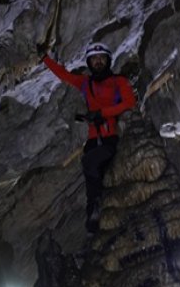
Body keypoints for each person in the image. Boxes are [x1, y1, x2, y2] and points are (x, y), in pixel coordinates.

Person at [39, 42, 136, 233]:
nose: (98, 62)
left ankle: (101, 206)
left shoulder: (119, 82)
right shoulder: (86, 83)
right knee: (91, 174)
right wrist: (45, 59)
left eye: (101, 58)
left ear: (108, 60)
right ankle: (95, 216)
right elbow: (64, 75)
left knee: (90, 163)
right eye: (94, 59)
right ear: (89, 63)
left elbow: (129, 103)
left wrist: (103, 112)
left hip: (112, 138)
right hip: (93, 139)